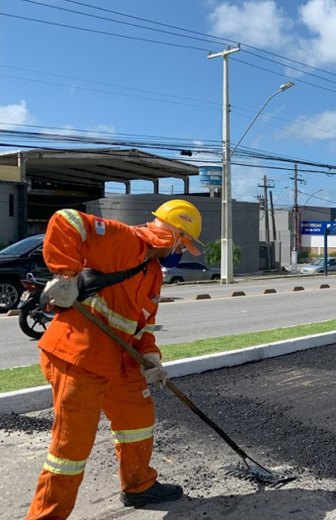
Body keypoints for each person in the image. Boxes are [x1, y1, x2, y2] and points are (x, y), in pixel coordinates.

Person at [27, 199, 203, 519]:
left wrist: (151, 357)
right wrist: (65, 275)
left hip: (120, 358)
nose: (180, 251)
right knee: (71, 449)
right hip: (79, 355)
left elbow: (144, 324)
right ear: (175, 236)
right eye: (183, 243)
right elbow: (65, 218)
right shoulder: (123, 239)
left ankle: (139, 486)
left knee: (138, 417)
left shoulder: (152, 273)